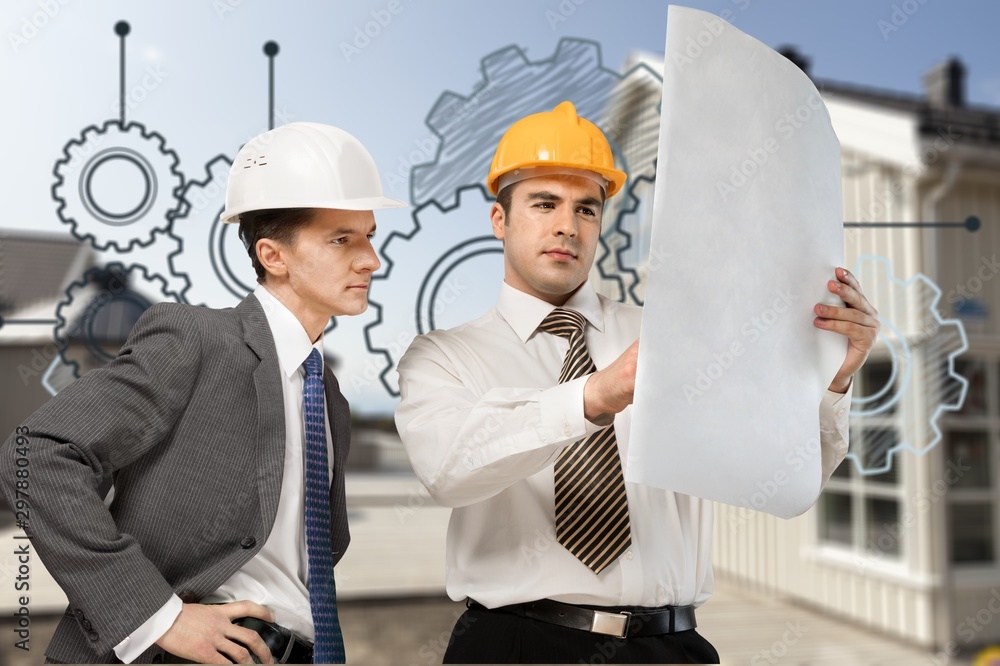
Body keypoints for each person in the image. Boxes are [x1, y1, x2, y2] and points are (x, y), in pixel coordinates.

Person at [394, 101, 878, 664]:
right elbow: (448, 469)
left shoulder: (672, 337)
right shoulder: (443, 356)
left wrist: (834, 377)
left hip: (669, 647)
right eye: (544, 203)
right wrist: (595, 396)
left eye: (587, 209)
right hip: (515, 644)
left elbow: (779, 474)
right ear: (499, 219)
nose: (566, 227)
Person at [0, 122, 405, 664]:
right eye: (341, 239)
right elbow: (37, 453)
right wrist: (154, 616)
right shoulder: (196, 341)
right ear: (273, 255)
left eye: (369, 235)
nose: (370, 260)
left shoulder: (326, 394)